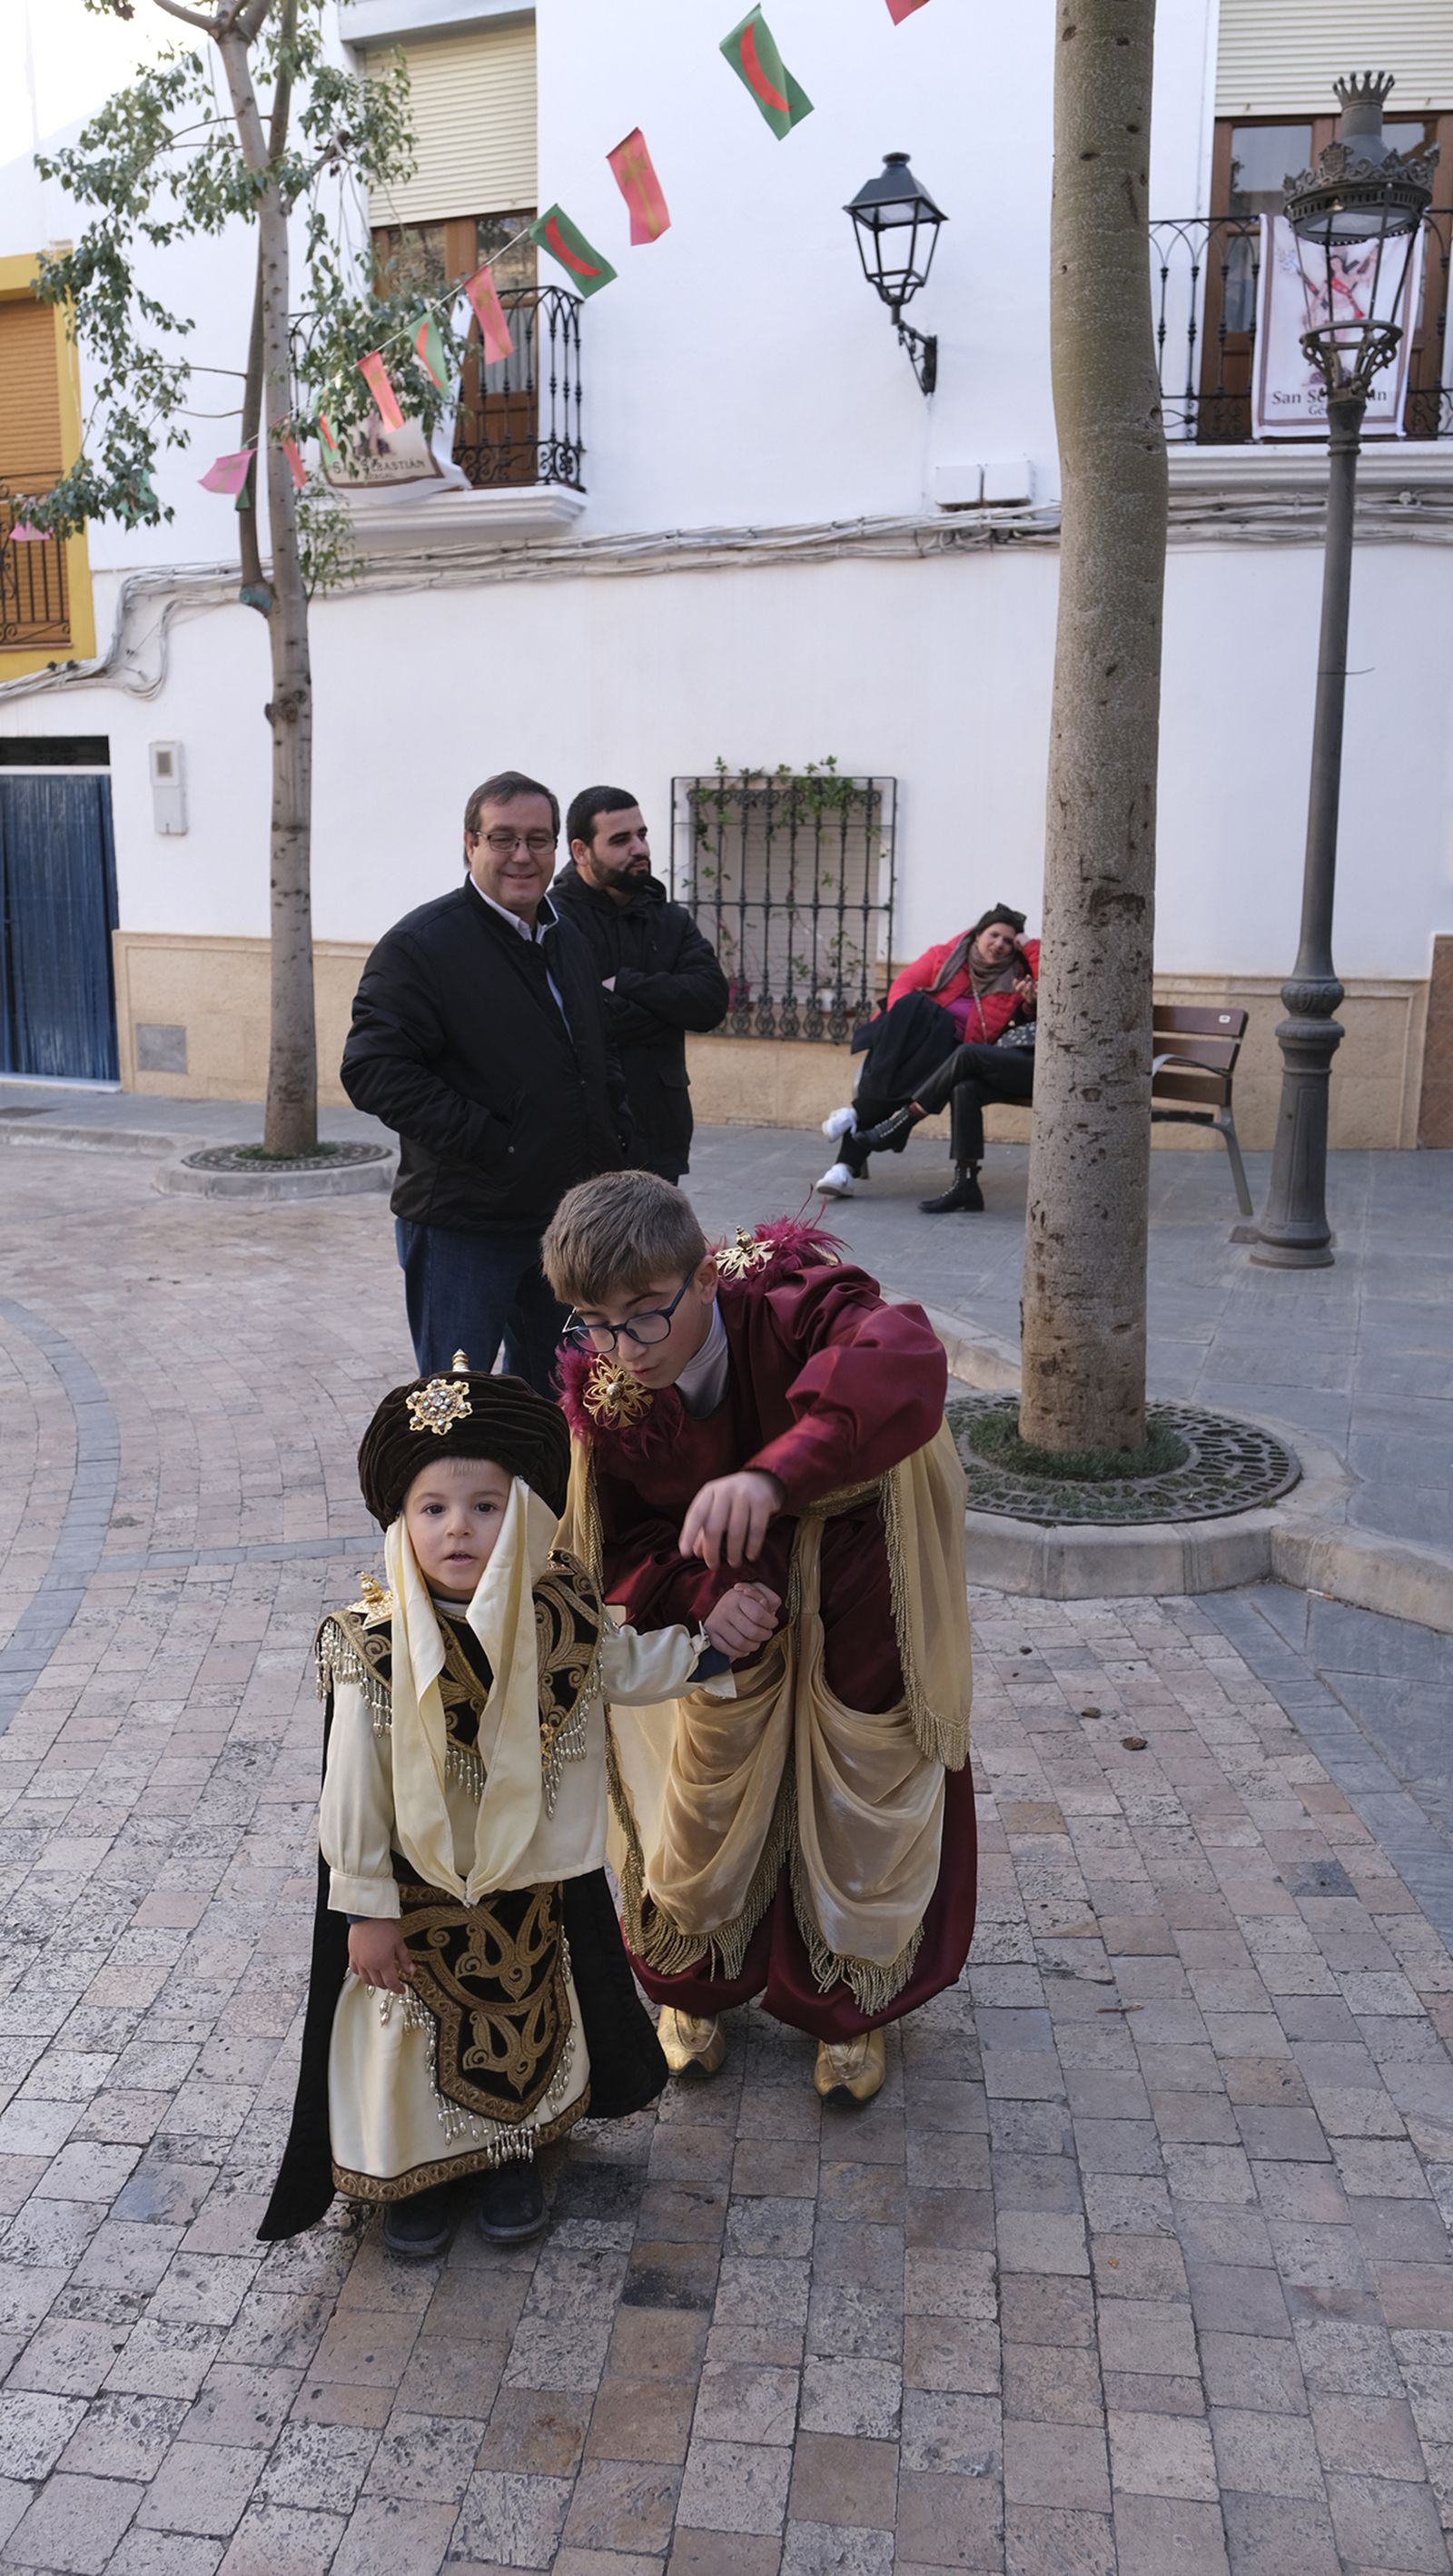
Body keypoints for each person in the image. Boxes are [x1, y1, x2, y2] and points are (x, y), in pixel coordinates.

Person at [259, 1358, 778, 2257]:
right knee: (409, 2033)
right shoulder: (369, 1644)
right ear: (401, 1520)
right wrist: (366, 1906)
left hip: (527, 1887)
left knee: (525, 2018)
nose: (458, 1527)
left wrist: (704, 1647)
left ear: (525, 1513)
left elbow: (625, 1668)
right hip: (415, 1895)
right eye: (433, 1508)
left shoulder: (563, 1611)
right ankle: (418, 2173)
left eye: (484, 1505)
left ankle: (508, 2154)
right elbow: (352, 1789)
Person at [542, 1171, 976, 2109]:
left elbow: (901, 1353)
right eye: (594, 1322)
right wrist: (701, 1599)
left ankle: (852, 2000)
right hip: (731, 1578)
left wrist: (774, 1476)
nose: (623, 1348)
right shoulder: (608, 1393)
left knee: (864, 1761)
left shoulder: (786, 1297)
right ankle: (693, 1980)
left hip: (861, 1540)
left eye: (645, 1315)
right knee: (711, 1761)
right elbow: (618, 1542)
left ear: (703, 1279)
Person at [340, 771, 633, 1393]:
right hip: (464, 1226)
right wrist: (492, 1140)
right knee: (458, 1405)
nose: (521, 855)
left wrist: (615, 1140)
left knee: (560, 1399)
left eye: (537, 838)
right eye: (502, 838)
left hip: (566, 1222)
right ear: (469, 844)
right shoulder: (422, 946)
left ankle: (540, 1497)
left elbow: (595, 1048)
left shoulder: (566, 936)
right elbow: (372, 1069)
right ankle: (460, 1498)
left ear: (559, 848)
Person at [552, 786, 729, 1185]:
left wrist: (626, 983)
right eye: (620, 840)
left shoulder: (670, 920)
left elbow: (711, 1002)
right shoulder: (554, 921)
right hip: (585, 1140)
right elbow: (583, 1019)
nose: (639, 848)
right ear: (581, 851)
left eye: (642, 835)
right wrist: (668, 1012)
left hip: (660, 1135)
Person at [815, 903, 1039, 1213]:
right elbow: (903, 987)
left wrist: (1028, 978)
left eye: (1008, 941)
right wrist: (905, 1030)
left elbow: (1029, 1013)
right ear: (977, 935)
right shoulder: (943, 956)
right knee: (914, 1010)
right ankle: (852, 1155)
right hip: (913, 1036)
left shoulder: (1015, 982)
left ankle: (846, 1156)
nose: (999, 944)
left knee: (914, 1059)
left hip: (954, 1053)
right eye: (994, 935)